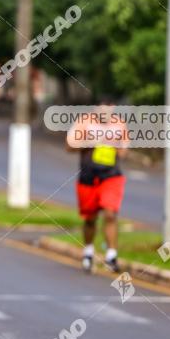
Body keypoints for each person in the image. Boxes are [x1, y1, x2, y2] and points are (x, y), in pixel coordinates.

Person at [67, 103, 128, 274]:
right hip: (88, 177)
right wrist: (89, 142)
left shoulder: (119, 124)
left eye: (109, 109)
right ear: (95, 109)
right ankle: (88, 252)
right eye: (101, 108)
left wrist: (112, 144)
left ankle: (111, 256)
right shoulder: (84, 122)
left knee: (110, 213)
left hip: (111, 177)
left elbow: (123, 152)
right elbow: (69, 146)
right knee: (90, 218)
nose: (105, 112)